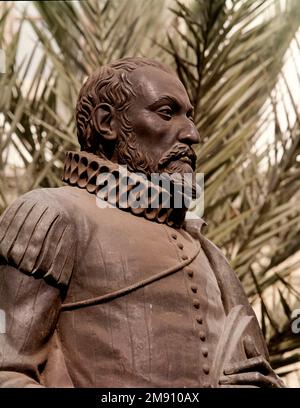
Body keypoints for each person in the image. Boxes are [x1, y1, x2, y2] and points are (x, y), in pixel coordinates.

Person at [0, 57, 284, 388]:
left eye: (189, 117)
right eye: (167, 113)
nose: (192, 134)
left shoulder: (208, 252)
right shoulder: (52, 215)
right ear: (107, 122)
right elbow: (7, 371)